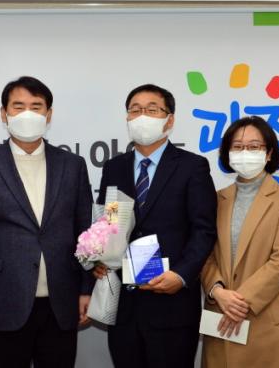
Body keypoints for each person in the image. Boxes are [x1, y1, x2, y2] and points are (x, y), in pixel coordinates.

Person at [0, 76, 93, 368]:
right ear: (4, 113)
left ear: (48, 115)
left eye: (36, 106)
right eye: (18, 106)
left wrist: (86, 289)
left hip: (61, 303)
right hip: (0, 302)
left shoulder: (73, 165)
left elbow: (86, 233)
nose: (27, 113)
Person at [95, 84, 217, 368]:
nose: (142, 116)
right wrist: (99, 257)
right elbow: (108, 220)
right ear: (127, 118)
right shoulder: (114, 167)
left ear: (169, 119)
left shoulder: (192, 166)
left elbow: (204, 230)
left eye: (152, 110)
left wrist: (182, 275)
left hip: (172, 303)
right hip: (124, 306)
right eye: (135, 110)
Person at [201, 116, 279, 368]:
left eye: (254, 146)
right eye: (237, 146)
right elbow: (205, 254)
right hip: (221, 317)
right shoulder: (215, 200)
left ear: (269, 153)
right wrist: (217, 292)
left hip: (264, 320)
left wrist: (239, 302)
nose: (245, 152)